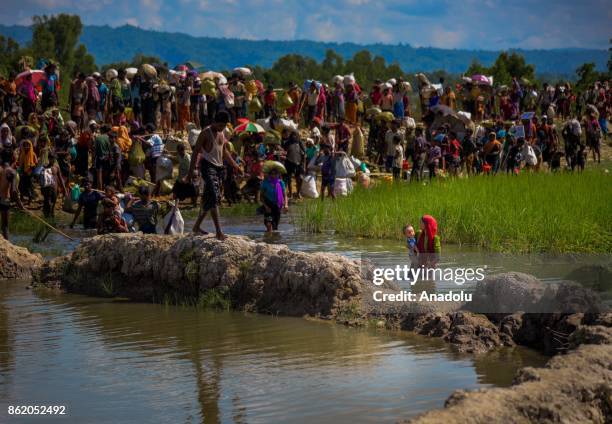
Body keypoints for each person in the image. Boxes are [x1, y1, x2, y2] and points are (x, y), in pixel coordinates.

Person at [186, 111, 241, 239]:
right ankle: (219, 232)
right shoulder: (206, 133)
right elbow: (195, 153)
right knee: (215, 197)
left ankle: (196, 227)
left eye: (224, 126)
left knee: (208, 199)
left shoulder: (221, 133)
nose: (222, 128)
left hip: (219, 168)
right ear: (214, 122)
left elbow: (224, 151)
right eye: (220, 125)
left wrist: (235, 165)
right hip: (207, 167)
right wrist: (190, 173)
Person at [0, 149, 23, 239]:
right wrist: (20, 204)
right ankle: (7, 246)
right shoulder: (11, 172)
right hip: (4, 200)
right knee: (5, 226)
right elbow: (13, 191)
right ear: (12, 158)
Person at [260, 167, 288, 232]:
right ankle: (268, 238)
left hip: (277, 205)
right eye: (272, 174)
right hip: (268, 205)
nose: (273, 175)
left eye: (275, 174)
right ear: (269, 175)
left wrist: (286, 205)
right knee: (268, 224)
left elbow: (285, 195)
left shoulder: (281, 183)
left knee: (275, 226)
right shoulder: (265, 183)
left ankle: (273, 240)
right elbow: (261, 197)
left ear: (278, 174)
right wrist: (266, 206)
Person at [40, 153, 67, 218]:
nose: (51, 160)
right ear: (48, 159)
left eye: (53, 158)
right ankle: (47, 215)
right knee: (48, 202)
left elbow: (60, 178)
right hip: (47, 188)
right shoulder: (45, 167)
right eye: (50, 158)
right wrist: (42, 188)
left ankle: (51, 215)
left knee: (53, 202)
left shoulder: (56, 167)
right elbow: (42, 179)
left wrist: (64, 190)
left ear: (55, 159)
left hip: (55, 188)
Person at [282, 130, 305, 199]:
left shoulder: (300, 143)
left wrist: (304, 165)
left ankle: (298, 193)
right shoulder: (287, 143)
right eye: (293, 135)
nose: (294, 136)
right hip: (289, 162)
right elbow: (284, 152)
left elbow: (304, 154)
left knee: (300, 179)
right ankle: (290, 193)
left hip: (299, 163)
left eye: (295, 135)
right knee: (288, 179)